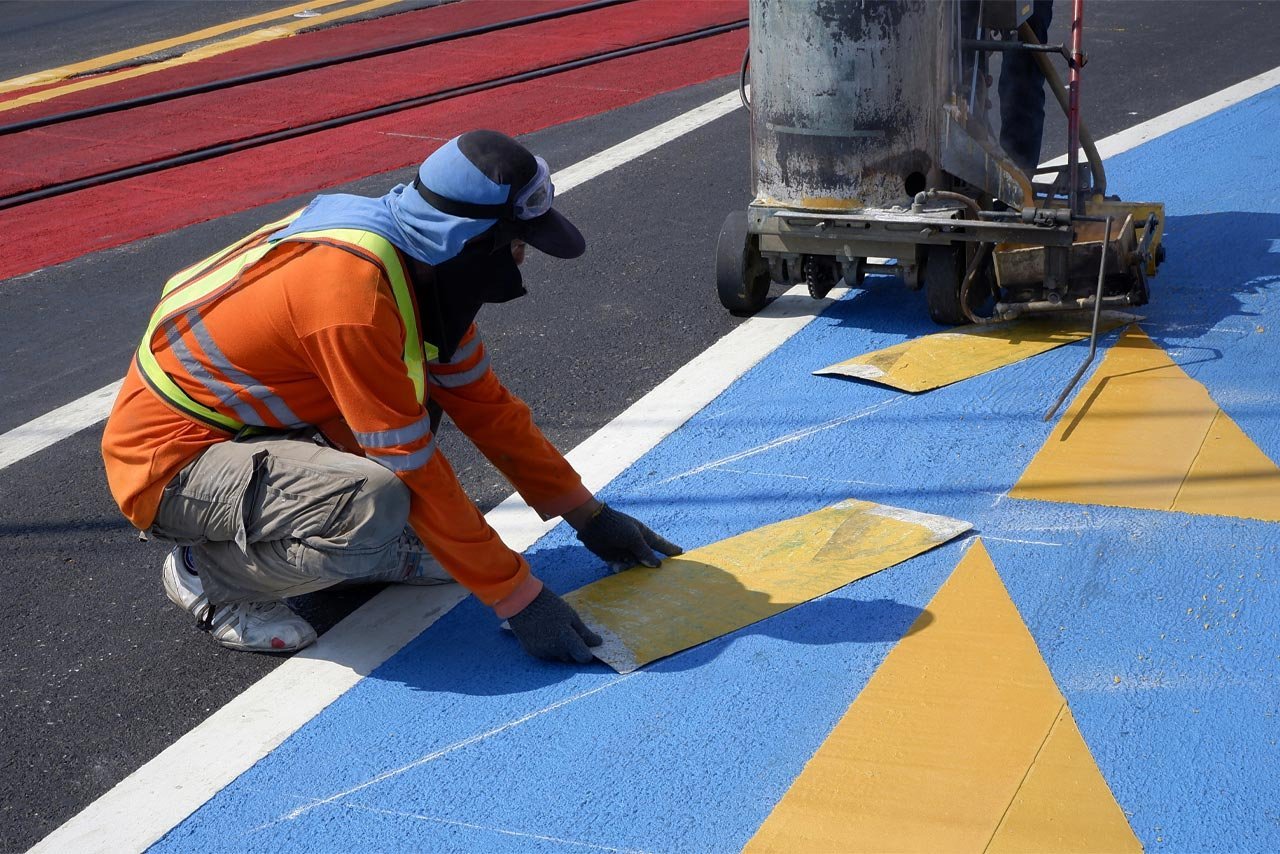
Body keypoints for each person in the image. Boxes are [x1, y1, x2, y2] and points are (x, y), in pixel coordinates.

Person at [100, 130, 681, 663]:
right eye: (517, 241)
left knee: (414, 420)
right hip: (170, 464)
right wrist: (519, 599)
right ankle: (214, 575)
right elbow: (410, 463)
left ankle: (371, 550)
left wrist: (589, 516)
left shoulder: (415, 269)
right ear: (471, 241)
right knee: (372, 501)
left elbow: (490, 410)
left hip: (254, 429)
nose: (524, 257)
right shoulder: (350, 303)